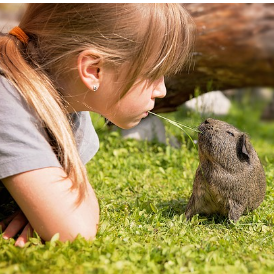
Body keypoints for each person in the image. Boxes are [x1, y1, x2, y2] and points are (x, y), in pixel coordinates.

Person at [0, 3, 194, 247]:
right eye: (153, 73)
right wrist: (56, 209)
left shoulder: (71, 104)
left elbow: (69, 202)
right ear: (93, 70)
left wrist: (42, 205)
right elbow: (76, 231)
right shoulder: (6, 99)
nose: (162, 90)